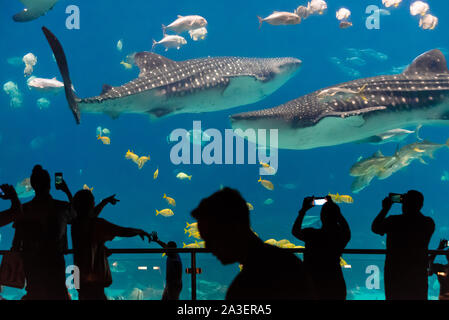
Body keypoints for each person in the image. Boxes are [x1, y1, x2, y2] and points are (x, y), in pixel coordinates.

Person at [191, 187, 315, 300]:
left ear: (233, 228)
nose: (207, 246)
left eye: (210, 238)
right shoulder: (287, 261)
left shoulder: (245, 287)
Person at [2, 165, 74, 300]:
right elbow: (78, 214)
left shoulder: (24, 210)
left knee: (35, 292)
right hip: (55, 261)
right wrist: (66, 190)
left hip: (31, 262)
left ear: (33, 186)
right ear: (49, 185)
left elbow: (16, 241)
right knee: (57, 292)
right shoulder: (62, 208)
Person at [71, 189, 151, 300]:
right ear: (90, 205)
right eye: (93, 202)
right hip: (94, 281)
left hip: (79, 278)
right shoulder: (97, 224)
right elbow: (122, 231)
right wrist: (139, 231)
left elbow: (88, 216)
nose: (94, 204)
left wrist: (104, 202)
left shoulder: (75, 224)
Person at [372, 190, 435, 300]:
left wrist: (385, 208)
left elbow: (375, 227)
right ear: (421, 205)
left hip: (395, 274)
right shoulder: (428, 223)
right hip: (418, 274)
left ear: (404, 204)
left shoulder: (394, 221)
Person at [292, 195, 351, 300]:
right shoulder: (340, 237)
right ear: (337, 216)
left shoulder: (312, 234)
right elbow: (347, 230)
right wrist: (336, 212)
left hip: (313, 281)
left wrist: (303, 210)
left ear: (322, 217)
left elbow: (295, 231)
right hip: (335, 281)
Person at [152, 233, 183, 300]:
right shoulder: (173, 254)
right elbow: (165, 246)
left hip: (174, 284)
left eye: (167, 248)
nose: (165, 250)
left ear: (171, 249)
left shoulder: (174, 256)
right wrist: (157, 240)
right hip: (171, 284)